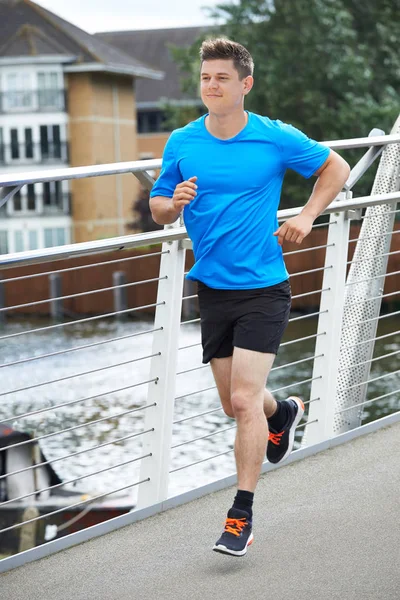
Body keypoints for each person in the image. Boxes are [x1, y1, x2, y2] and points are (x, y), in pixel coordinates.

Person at [149, 38, 350, 557]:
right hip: (212, 287)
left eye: (221, 78)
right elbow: (157, 209)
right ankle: (281, 414)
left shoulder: (273, 137)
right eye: (205, 78)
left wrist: (306, 215)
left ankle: (241, 514)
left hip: (264, 285)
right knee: (234, 404)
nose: (211, 86)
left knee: (242, 400)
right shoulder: (183, 141)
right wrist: (173, 203)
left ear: (245, 84)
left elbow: (336, 169)